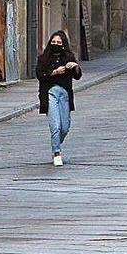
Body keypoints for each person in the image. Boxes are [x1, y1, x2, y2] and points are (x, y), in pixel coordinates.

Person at [36, 31, 82, 166]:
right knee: (55, 126)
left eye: (59, 43)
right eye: (54, 42)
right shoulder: (43, 58)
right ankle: (57, 152)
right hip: (50, 94)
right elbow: (40, 75)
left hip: (65, 95)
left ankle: (56, 141)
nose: (56, 44)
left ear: (63, 45)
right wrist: (54, 72)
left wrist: (75, 67)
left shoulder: (68, 57)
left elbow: (77, 76)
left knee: (65, 128)